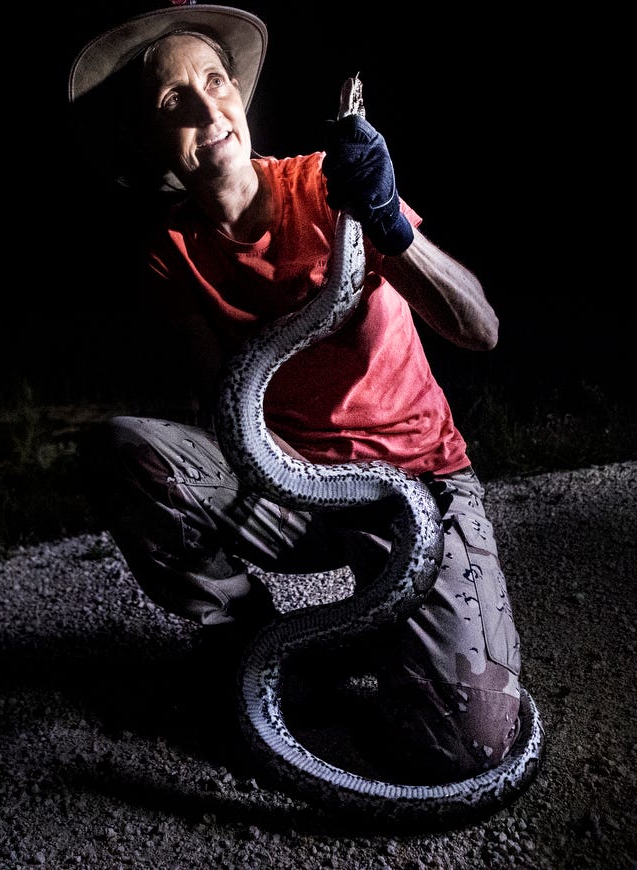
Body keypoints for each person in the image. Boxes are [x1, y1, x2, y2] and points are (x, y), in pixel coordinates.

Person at [67, 2, 526, 784]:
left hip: (413, 484)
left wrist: (388, 222)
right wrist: (257, 473)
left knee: (472, 749)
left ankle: (384, 632)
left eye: (215, 82)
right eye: (172, 103)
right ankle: (262, 650)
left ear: (240, 97)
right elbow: (218, 393)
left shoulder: (334, 187)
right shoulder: (170, 251)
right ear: (146, 143)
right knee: (124, 452)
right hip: (288, 484)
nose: (207, 109)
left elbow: (478, 328)